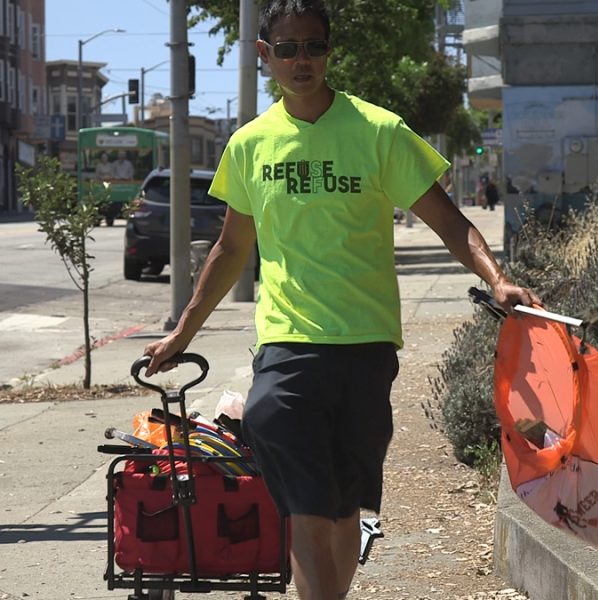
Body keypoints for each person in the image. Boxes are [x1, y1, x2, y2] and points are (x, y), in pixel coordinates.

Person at [142, 1, 541, 598]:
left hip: (365, 344)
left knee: (344, 507)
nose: (301, 59)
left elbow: (448, 220)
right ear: (264, 55)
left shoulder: (378, 131)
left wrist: (495, 277)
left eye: (312, 46)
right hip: (287, 345)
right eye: (287, 48)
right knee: (301, 496)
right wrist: (182, 334)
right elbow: (229, 249)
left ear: (329, 51)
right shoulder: (250, 145)